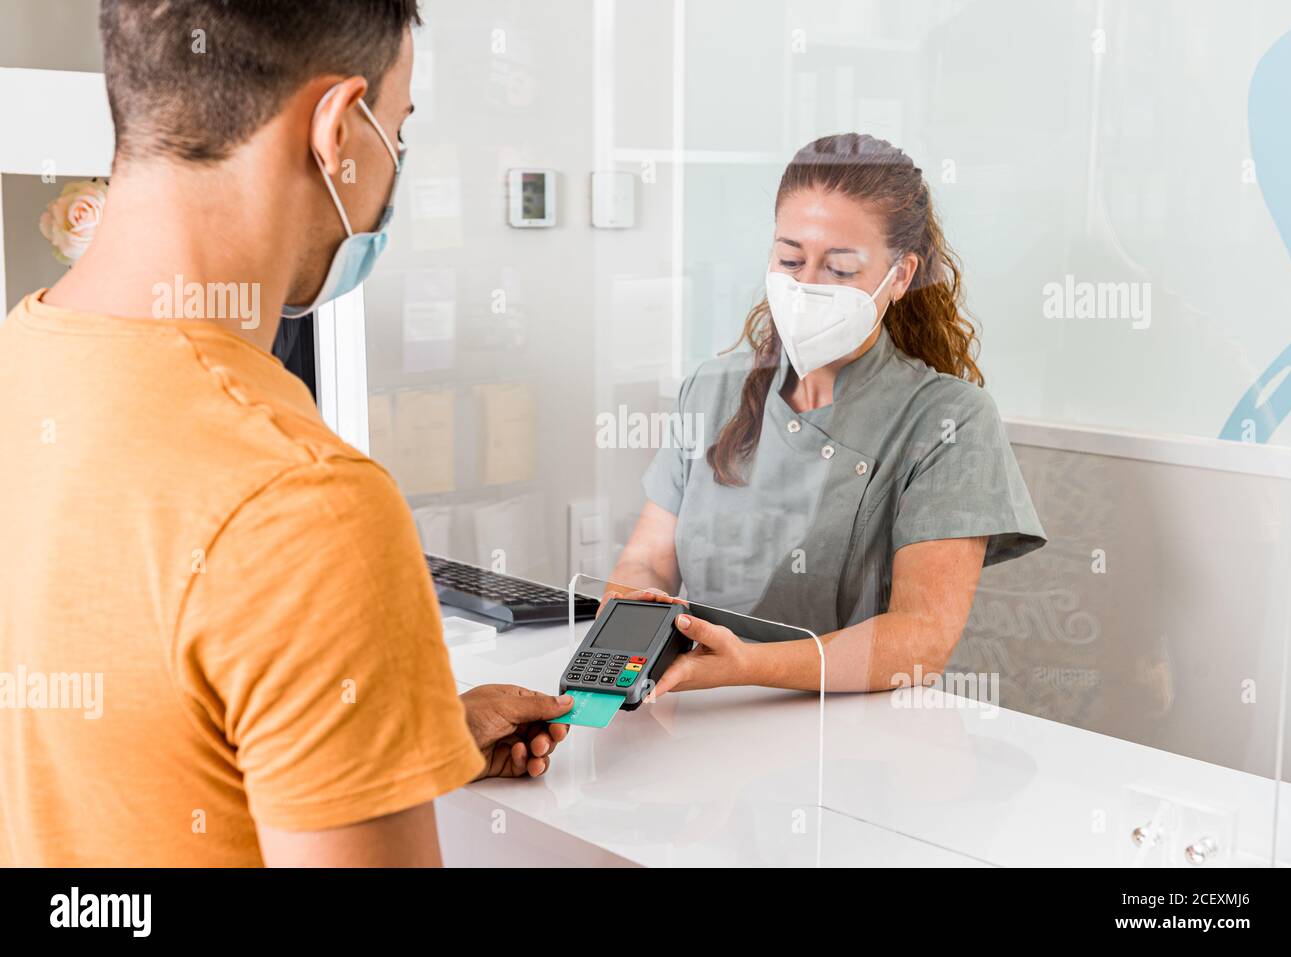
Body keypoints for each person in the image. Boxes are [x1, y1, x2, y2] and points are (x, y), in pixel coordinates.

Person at [0, 0, 570, 867]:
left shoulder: (23, 360)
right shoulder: (305, 501)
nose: (396, 163)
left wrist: (403, 733)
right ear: (338, 128)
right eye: (400, 128)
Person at [610, 134, 1046, 695]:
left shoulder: (948, 419)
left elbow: (921, 639)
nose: (807, 285)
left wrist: (745, 667)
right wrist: (630, 623)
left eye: (840, 270)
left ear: (901, 276)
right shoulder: (710, 390)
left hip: (854, 740)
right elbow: (646, 560)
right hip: (692, 708)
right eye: (790, 259)